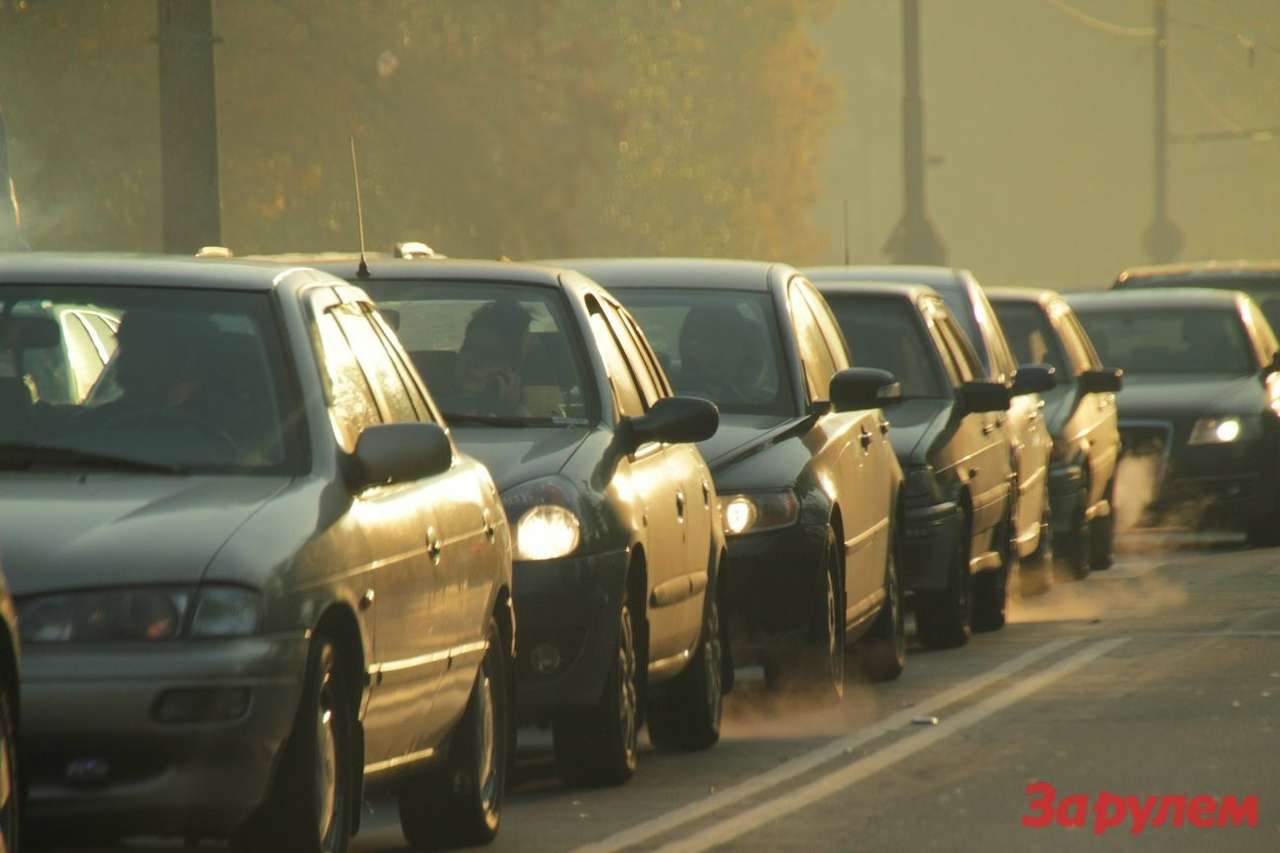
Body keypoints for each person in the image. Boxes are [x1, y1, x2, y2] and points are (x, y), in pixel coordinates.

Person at [438, 299, 533, 416]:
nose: (476, 362)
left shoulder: (525, 426)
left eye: (490, 356)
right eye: (470, 349)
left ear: (511, 371)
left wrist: (507, 412)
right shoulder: (423, 405)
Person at [677, 305, 769, 406]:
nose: (715, 350)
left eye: (727, 339)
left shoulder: (765, 401)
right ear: (687, 345)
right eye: (705, 340)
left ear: (746, 347)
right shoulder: (672, 398)